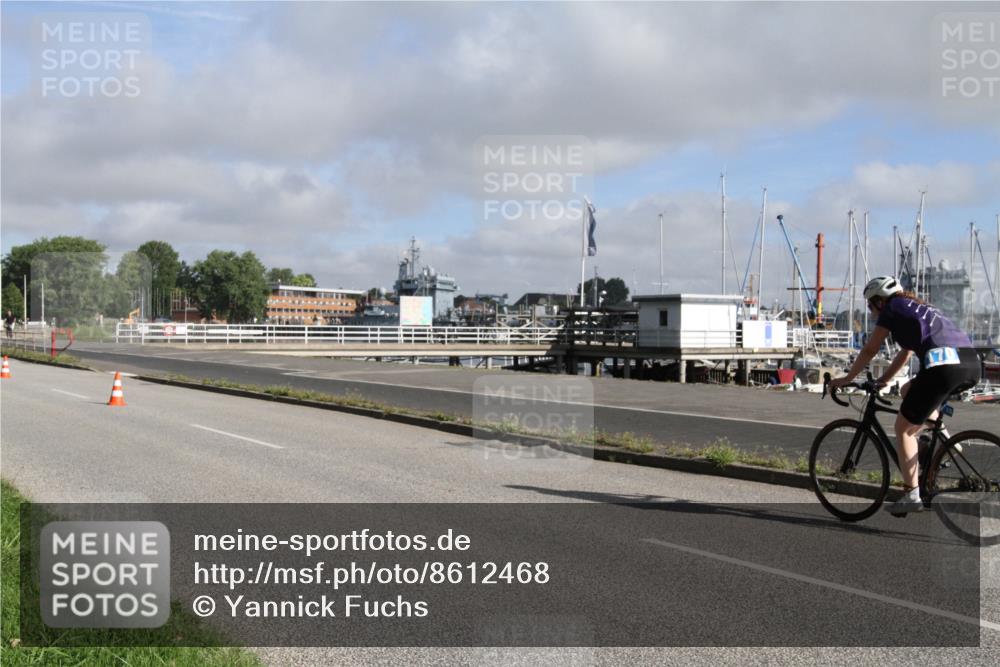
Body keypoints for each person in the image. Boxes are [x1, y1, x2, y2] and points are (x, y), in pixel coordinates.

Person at [829, 276, 981, 516]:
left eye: (870, 305)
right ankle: (947, 443)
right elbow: (906, 352)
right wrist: (885, 380)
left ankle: (911, 493)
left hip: (944, 367)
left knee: (904, 428)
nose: (870, 311)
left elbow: (870, 349)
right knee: (907, 390)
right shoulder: (915, 307)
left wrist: (847, 379)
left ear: (880, 301)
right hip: (970, 363)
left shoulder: (892, 309)